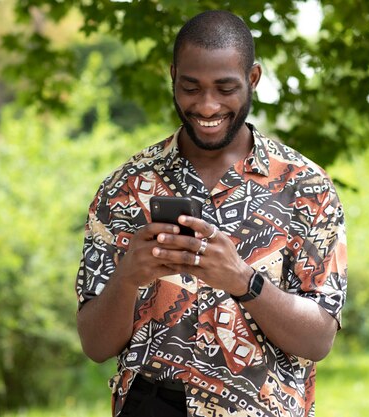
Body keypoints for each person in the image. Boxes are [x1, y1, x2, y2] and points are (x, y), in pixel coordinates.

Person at [76, 10, 347, 417]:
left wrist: (242, 280)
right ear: (172, 75)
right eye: (190, 87)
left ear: (253, 79)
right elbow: (96, 347)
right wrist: (129, 275)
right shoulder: (124, 188)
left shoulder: (306, 188)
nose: (207, 105)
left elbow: (318, 340)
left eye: (225, 88)